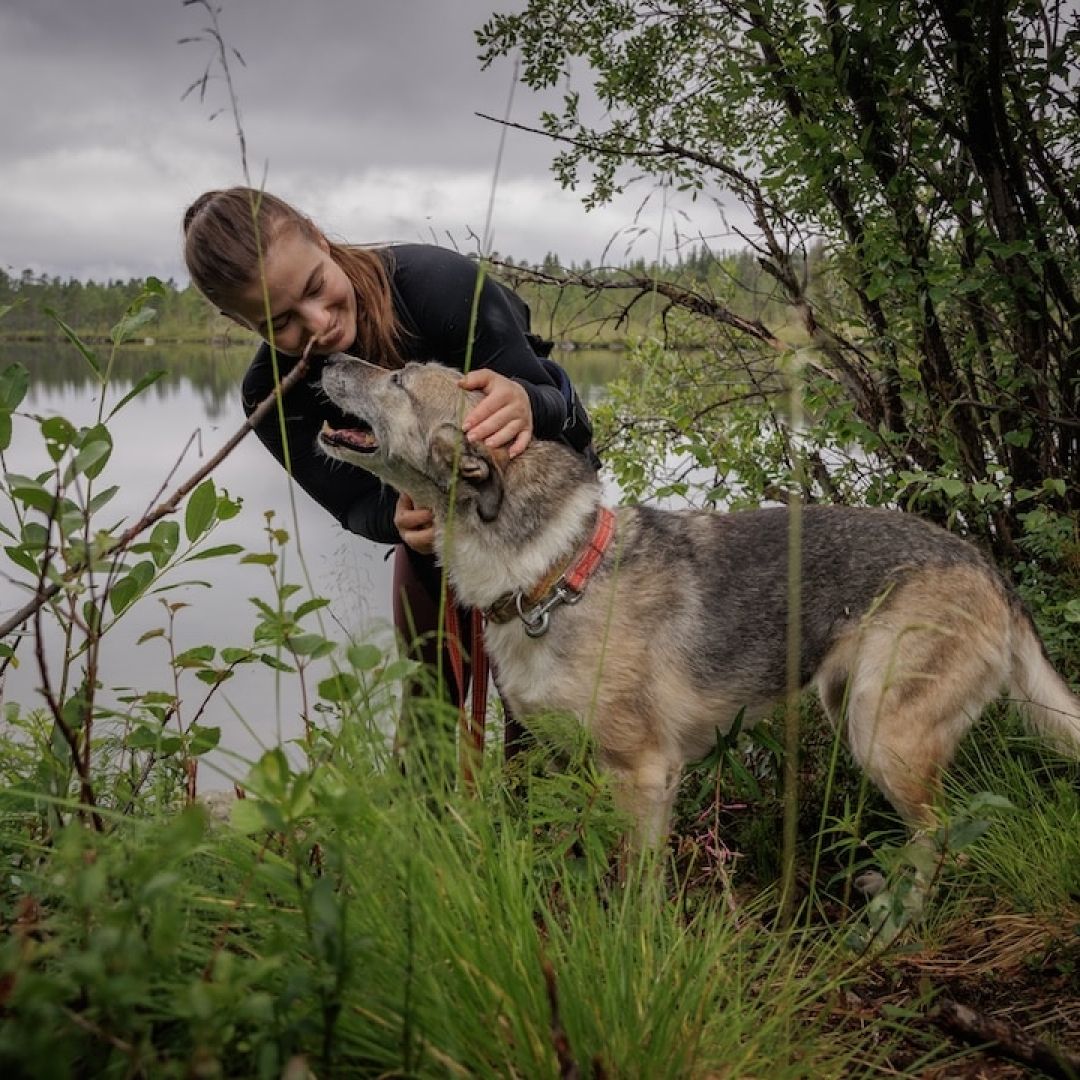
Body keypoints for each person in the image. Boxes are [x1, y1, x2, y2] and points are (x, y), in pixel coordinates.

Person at [182, 187, 599, 755]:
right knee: (427, 705)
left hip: (538, 539)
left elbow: (569, 429)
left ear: (318, 236)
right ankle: (420, 838)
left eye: (314, 287)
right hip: (437, 549)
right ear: (239, 321)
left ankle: (547, 837)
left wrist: (530, 401)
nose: (319, 324)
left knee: (545, 720)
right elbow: (356, 505)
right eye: (280, 321)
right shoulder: (270, 394)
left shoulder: (441, 288)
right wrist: (398, 516)